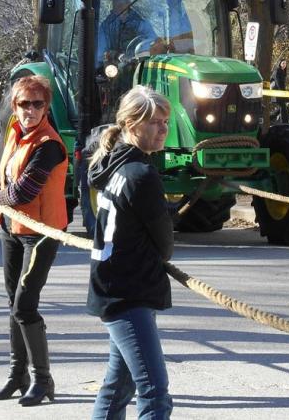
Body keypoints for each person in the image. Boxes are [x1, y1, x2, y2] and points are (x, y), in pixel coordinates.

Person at [0, 75, 67, 406]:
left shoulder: (49, 145)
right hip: (11, 228)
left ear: (46, 107)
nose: (29, 110)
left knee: (25, 306)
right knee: (12, 304)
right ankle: (18, 375)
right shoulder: (15, 132)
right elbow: (3, 178)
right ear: (14, 106)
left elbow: (23, 191)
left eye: (37, 104)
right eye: (23, 104)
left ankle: (43, 380)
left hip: (41, 233)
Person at [87, 85, 174, 419]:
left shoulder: (115, 166)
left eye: (165, 121)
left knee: (118, 387)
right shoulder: (141, 174)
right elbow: (165, 243)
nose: (163, 129)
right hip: (128, 291)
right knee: (154, 395)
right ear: (132, 124)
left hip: (113, 286)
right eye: (155, 122)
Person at [97, 0, 158, 66]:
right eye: (117, 2)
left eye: (124, 3)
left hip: (140, 64)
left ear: (129, 3)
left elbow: (154, 43)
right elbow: (100, 53)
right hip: (113, 69)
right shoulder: (106, 26)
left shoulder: (141, 23)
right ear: (113, 2)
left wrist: (140, 53)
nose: (120, 6)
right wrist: (116, 55)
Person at [270, 58, 289, 124]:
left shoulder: (283, 72)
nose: (284, 65)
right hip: (276, 92)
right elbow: (278, 84)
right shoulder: (277, 71)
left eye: (285, 63)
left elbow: (282, 85)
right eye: (283, 63)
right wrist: (283, 94)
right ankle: (284, 122)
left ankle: (270, 118)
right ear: (280, 64)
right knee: (283, 107)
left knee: (282, 107)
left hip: (280, 92)